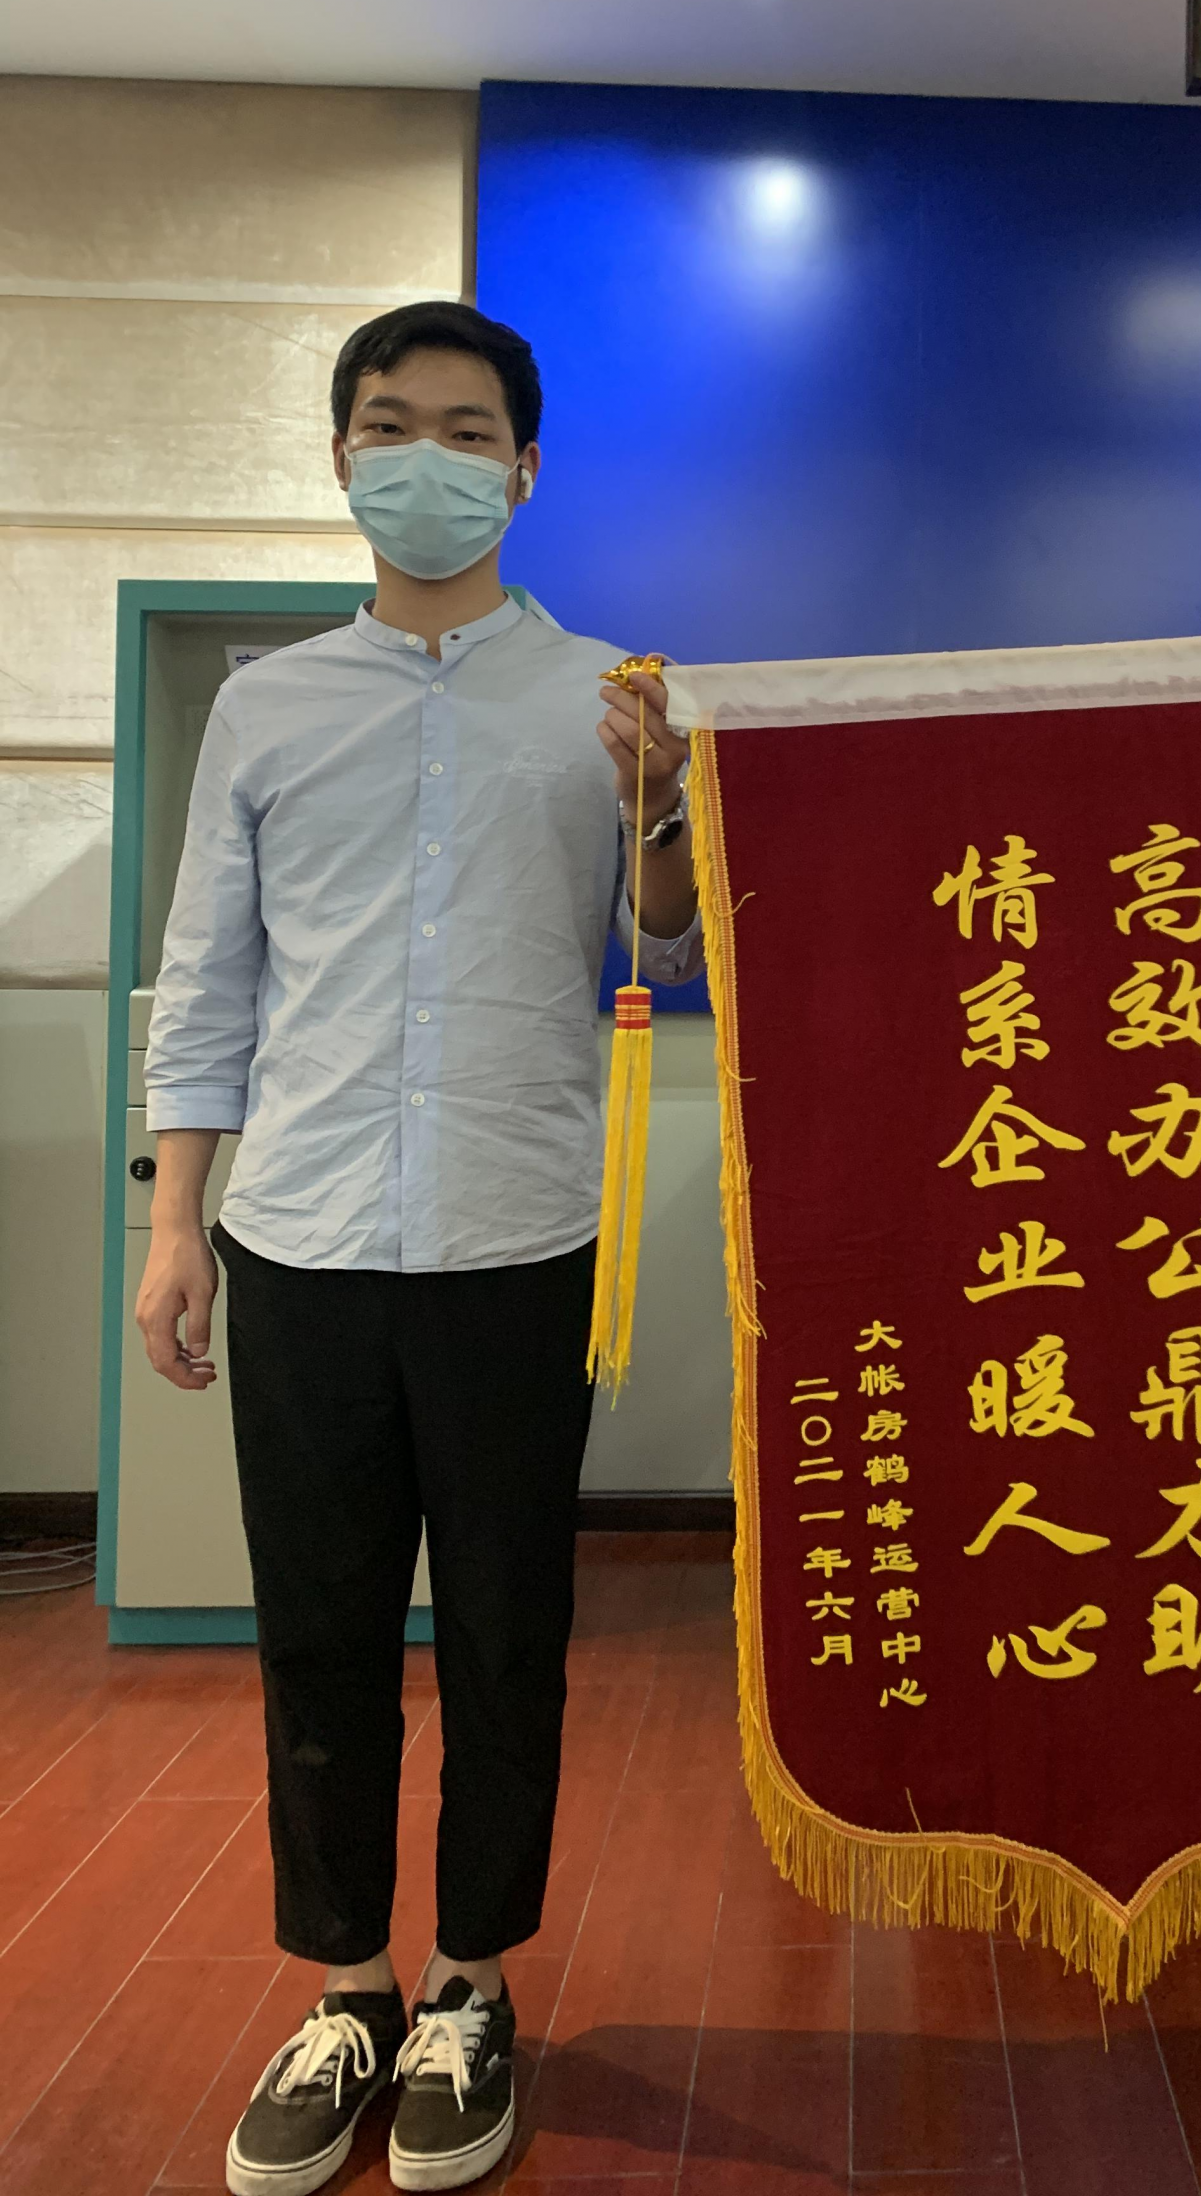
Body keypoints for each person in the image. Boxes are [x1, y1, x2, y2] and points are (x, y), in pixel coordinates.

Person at [134, 302, 699, 2196]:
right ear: (342, 458)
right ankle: (347, 1987)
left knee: (509, 1635)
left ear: (525, 468)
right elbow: (209, 976)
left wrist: (666, 806)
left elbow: (673, 943)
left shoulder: (615, 694)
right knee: (318, 1633)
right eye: (392, 426)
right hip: (297, 1235)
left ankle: (470, 1986)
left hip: (518, 1237)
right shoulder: (272, 707)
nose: (428, 459)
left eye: (468, 430)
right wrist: (176, 1222)